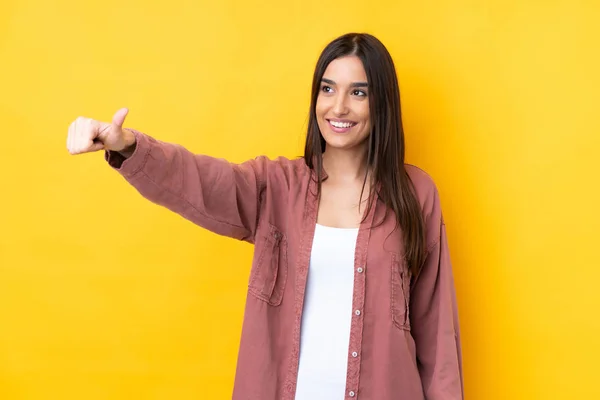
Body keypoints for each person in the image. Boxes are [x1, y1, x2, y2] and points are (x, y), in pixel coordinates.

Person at [67, 33, 463, 400]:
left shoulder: (416, 195)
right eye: (327, 89)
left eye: (358, 92)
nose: (338, 107)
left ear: (383, 103)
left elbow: (437, 336)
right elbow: (200, 180)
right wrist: (130, 146)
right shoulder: (276, 186)